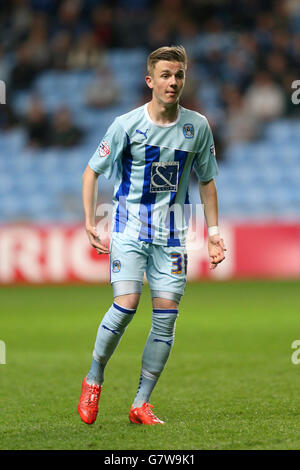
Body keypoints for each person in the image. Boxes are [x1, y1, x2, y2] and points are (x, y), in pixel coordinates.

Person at [78, 45, 226, 426]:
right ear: (150, 81)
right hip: (129, 228)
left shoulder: (198, 126)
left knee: (166, 319)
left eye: (178, 75)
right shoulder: (126, 125)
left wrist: (213, 232)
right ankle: (94, 378)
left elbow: (207, 181)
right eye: (165, 75)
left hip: (174, 236)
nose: (172, 82)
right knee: (126, 306)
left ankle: (141, 403)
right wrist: (90, 222)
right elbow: (91, 171)